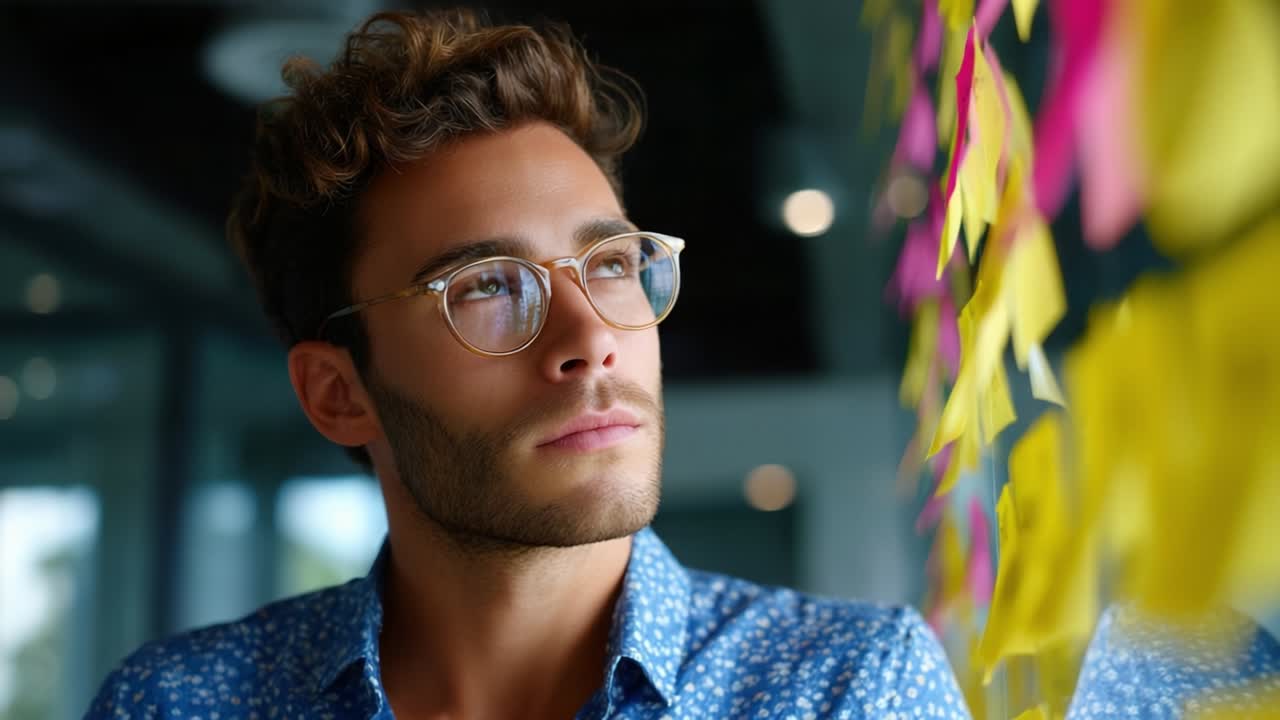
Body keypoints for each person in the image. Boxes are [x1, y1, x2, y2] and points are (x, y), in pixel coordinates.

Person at [85, 9, 970, 719]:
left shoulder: (847, 690)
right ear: (339, 392)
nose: (590, 338)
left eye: (614, 265)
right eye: (487, 287)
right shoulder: (177, 703)